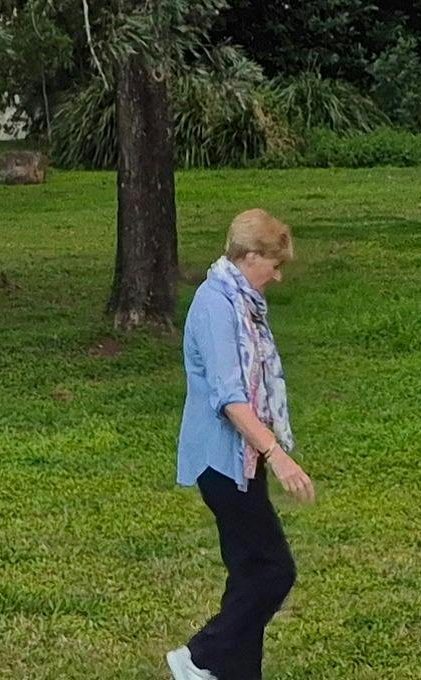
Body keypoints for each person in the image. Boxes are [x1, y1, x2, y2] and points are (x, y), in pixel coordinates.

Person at [169, 207, 312, 680]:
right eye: (275, 264)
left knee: (249, 571)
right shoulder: (215, 305)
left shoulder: (240, 303)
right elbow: (229, 398)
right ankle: (199, 657)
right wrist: (278, 455)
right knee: (274, 570)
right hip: (222, 461)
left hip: (241, 459)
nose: (278, 275)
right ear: (250, 256)